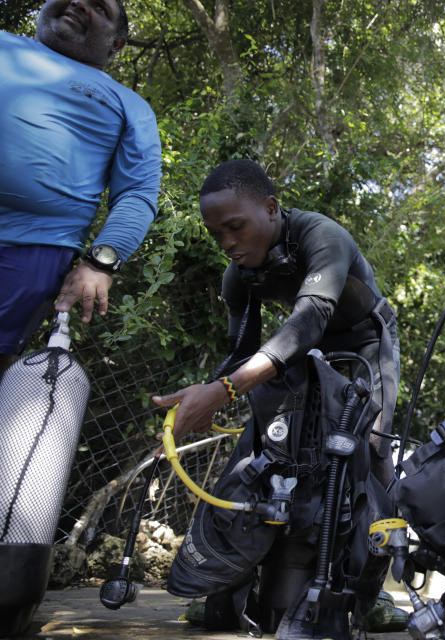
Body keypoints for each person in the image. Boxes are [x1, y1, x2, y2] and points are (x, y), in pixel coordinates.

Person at [154, 160, 404, 636]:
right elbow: (240, 356)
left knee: (370, 453)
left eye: (235, 226)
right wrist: (208, 394)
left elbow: (308, 319)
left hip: (365, 345)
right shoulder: (238, 277)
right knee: (262, 447)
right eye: (216, 233)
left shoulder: (321, 236)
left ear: (270, 209)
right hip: (302, 353)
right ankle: (223, 586)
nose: (227, 242)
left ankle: (372, 595)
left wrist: (224, 390)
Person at [0, 0, 162, 371]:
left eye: (99, 8)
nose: (78, 3)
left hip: (29, 248)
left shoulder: (129, 104)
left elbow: (137, 191)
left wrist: (100, 263)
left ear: (116, 43)